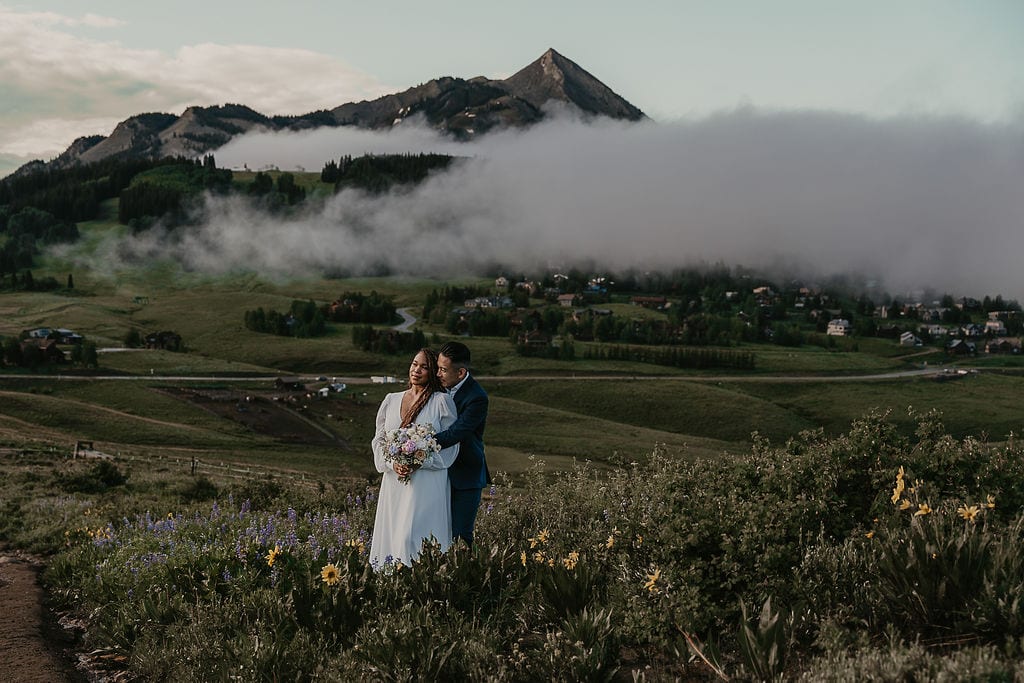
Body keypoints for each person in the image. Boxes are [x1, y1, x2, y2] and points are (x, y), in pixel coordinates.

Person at [369, 348, 459, 567]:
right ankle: (391, 587)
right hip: (394, 482)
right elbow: (379, 441)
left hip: (426, 482)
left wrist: (419, 462)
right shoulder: (391, 400)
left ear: (433, 372)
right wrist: (392, 463)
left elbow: (451, 446)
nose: (416, 370)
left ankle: (423, 583)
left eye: (424, 367)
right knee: (393, 534)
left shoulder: (441, 402)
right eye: (414, 364)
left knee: (412, 536)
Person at [434, 341, 490, 547]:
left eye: (443, 369)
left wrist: (421, 442)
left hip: (466, 475)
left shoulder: (477, 398)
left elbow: (457, 432)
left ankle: (464, 577)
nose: (438, 373)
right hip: (438, 472)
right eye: (437, 367)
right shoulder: (436, 387)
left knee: (460, 536)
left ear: (460, 373)